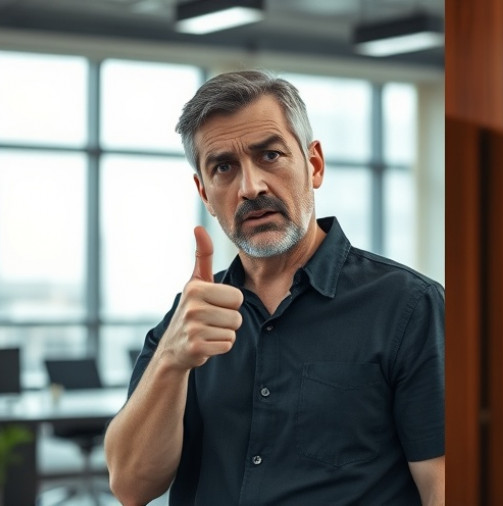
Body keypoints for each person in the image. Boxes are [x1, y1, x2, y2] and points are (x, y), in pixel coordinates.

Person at [104, 70, 445, 505]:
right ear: (205, 193)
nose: (250, 187)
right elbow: (130, 486)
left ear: (314, 164)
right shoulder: (189, 320)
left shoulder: (409, 307)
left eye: (270, 156)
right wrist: (172, 359)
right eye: (223, 167)